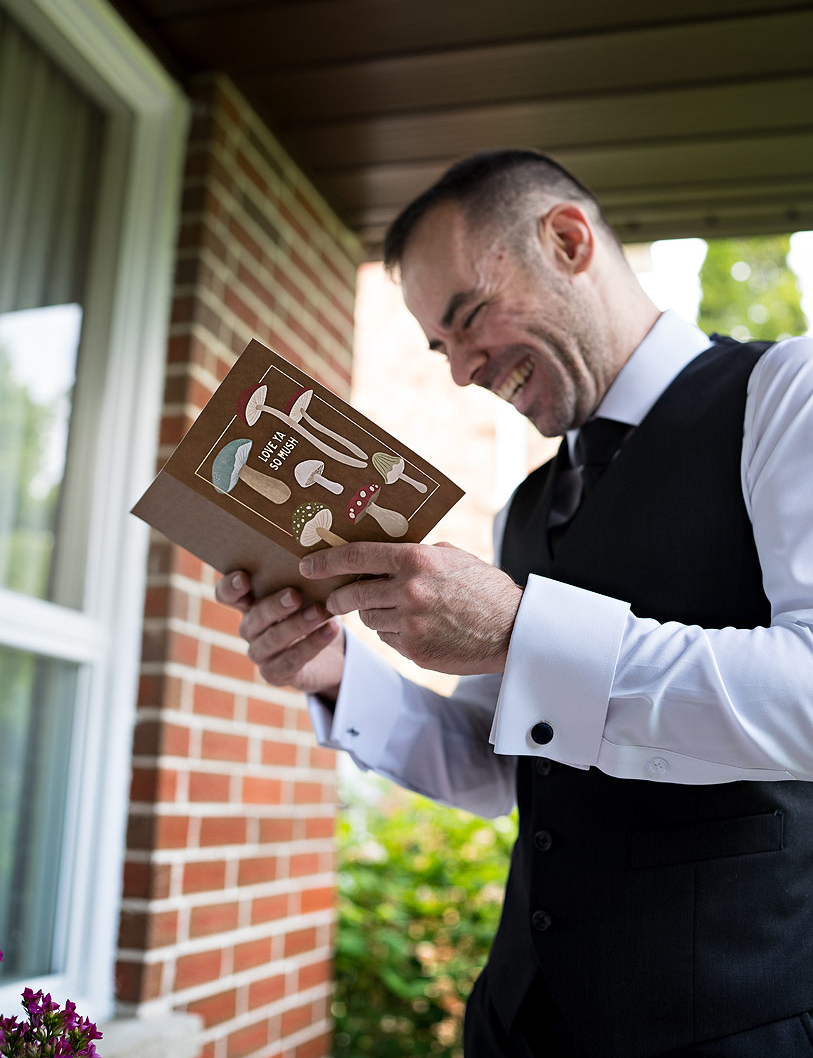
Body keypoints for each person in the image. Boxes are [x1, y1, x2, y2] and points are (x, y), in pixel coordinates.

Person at [216, 150, 813, 1057]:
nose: (459, 370)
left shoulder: (785, 394)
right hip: (515, 1027)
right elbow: (502, 769)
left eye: (467, 319)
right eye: (438, 347)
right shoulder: (524, 510)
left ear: (568, 241)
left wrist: (516, 631)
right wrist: (335, 671)